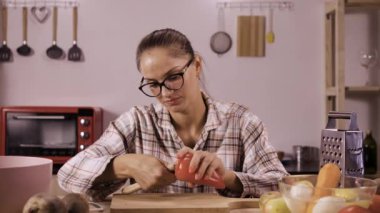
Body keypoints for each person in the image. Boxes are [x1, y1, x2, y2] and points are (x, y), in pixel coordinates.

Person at [57, 28, 288, 201]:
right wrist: (125, 164)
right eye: (153, 84)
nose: (165, 92)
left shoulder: (242, 122)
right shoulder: (137, 122)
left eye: (173, 77)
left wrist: (227, 178)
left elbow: (283, 187)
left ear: (196, 65)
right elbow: (67, 177)